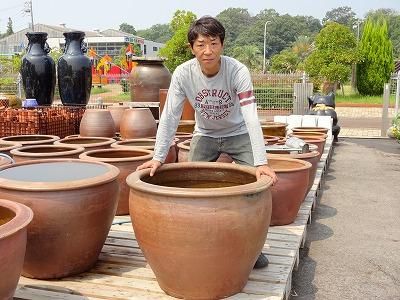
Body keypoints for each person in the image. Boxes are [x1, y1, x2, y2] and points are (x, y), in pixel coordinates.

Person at [137, 16, 278, 269]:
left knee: (259, 186)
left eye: (213, 43)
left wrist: (262, 162)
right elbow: (169, 116)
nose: (208, 51)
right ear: (192, 48)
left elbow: (251, 116)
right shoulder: (183, 73)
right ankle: (193, 241)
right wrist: (157, 157)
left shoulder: (238, 71)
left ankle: (252, 249)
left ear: (222, 45)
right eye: (201, 45)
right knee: (191, 187)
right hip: (205, 134)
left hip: (239, 132)